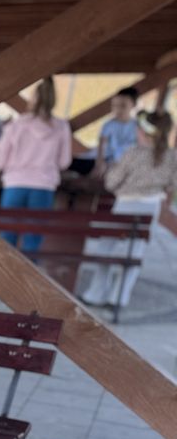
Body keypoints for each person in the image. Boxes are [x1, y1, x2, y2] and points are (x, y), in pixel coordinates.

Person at [79, 110, 177, 309]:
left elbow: (111, 182)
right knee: (134, 253)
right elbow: (172, 183)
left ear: (143, 131)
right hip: (151, 207)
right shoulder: (171, 157)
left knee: (106, 248)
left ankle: (96, 294)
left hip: (125, 205)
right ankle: (119, 298)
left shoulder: (132, 153)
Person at [0, 78, 72, 252]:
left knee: (7, 236)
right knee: (33, 239)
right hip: (43, 185)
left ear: (33, 99)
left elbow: (1, 161)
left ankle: (4, 270)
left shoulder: (16, 124)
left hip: (15, 183)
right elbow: (64, 162)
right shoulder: (61, 127)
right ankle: (29, 269)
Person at [92, 86, 140, 176]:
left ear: (133, 105)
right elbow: (101, 146)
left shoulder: (138, 126)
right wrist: (100, 164)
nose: (118, 109)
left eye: (123, 105)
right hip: (111, 164)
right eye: (115, 106)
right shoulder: (108, 125)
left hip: (131, 165)